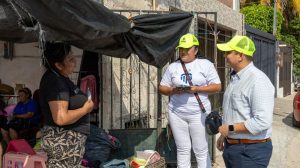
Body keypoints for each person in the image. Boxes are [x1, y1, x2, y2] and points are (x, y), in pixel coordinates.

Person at [159, 33, 221, 168]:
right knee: (182, 149)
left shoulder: (205, 64)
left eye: (187, 48)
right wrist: (174, 90)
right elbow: (162, 88)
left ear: (196, 50)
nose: (183, 51)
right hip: (176, 113)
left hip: (198, 114)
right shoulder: (173, 67)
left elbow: (217, 86)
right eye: (181, 48)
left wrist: (197, 89)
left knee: (201, 149)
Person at [216, 35, 275, 168]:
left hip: (250, 151)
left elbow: (262, 121)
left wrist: (230, 128)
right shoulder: (236, 78)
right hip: (234, 148)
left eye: (228, 52)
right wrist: (225, 136)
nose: (225, 55)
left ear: (240, 55)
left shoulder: (257, 80)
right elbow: (236, 112)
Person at [39, 42, 94, 168]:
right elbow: (61, 118)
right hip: (63, 142)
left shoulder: (60, 77)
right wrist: (85, 109)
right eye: (70, 59)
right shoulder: (56, 83)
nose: (75, 60)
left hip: (68, 142)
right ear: (58, 65)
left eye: (73, 55)